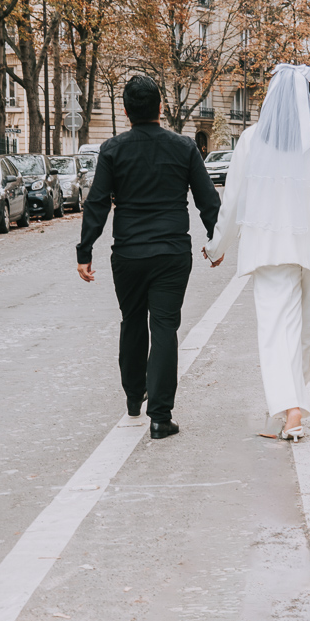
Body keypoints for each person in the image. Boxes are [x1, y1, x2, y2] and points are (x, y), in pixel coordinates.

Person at [203, 64, 310, 442]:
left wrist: (218, 245)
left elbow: (233, 199)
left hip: (268, 248)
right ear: (309, 98)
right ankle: (292, 404)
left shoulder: (250, 139)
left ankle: (289, 409)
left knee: (275, 331)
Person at [76, 75, 222, 439]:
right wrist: (216, 242)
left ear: (126, 112)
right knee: (165, 327)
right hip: (172, 252)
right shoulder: (185, 147)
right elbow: (208, 200)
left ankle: (132, 398)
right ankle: (160, 416)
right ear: (161, 107)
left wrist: (85, 249)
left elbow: (97, 203)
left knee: (132, 321)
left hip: (127, 253)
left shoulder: (112, 149)